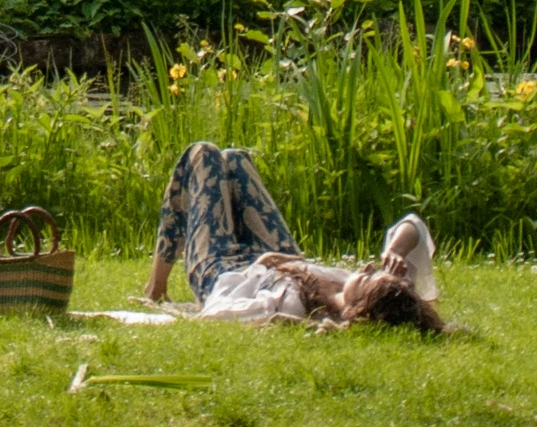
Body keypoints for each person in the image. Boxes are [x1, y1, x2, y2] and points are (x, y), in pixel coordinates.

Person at [143, 141, 443, 330]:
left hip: (222, 270)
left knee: (203, 154)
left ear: (357, 310)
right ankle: (156, 284)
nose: (365, 267)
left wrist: (266, 263)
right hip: (281, 258)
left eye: (367, 277)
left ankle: (156, 286)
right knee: (235, 159)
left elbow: (216, 312)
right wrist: (394, 251)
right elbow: (413, 226)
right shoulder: (376, 295)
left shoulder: (288, 306)